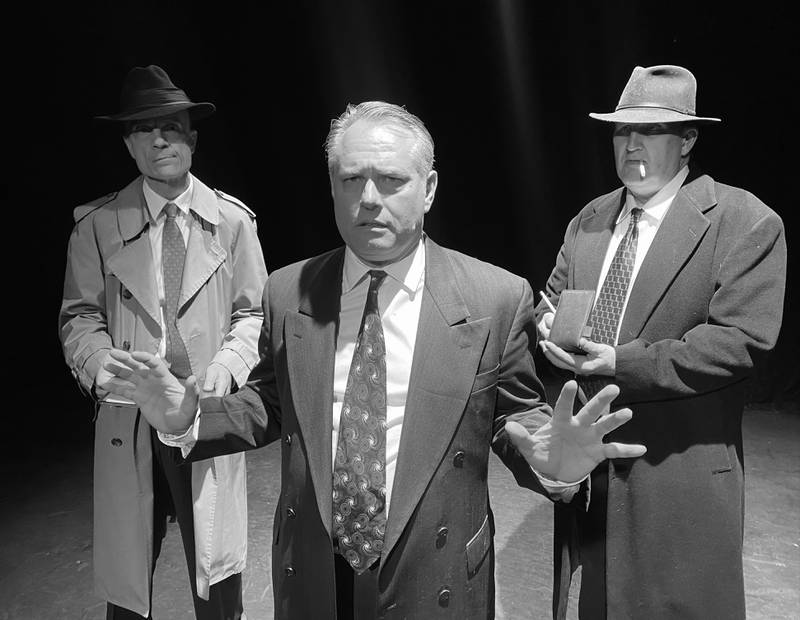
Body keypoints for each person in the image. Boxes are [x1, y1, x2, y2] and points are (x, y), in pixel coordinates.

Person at [100, 101, 647, 619]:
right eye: (351, 179)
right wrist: (187, 419)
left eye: (391, 180)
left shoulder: (495, 297)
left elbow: (514, 415)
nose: (368, 198)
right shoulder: (288, 291)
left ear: (429, 189)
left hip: (436, 568)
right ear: (332, 187)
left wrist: (550, 462)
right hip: (315, 563)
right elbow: (270, 401)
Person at [536, 65, 787, 619]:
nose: (631, 146)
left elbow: (741, 341)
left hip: (679, 480)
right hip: (589, 473)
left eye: (648, 133)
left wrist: (620, 362)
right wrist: (548, 326)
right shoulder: (591, 219)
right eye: (622, 132)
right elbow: (553, 296)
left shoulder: (743, 221)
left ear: (688, 140)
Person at [59, 65, 268, 619]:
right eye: (144, 129)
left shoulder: (232, 222)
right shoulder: (97, 227)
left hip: (204, 411)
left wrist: (227, 366)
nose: (159, 139)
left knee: (217, 567)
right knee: (128, 578)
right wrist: (104, 366)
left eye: (171, 127)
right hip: (132, 414)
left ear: (191, 139)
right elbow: (79, 317)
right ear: (129, 144)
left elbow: (255, 313)